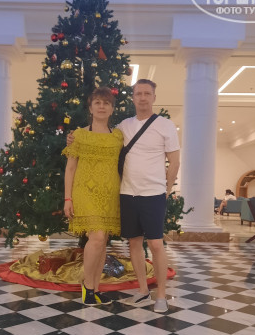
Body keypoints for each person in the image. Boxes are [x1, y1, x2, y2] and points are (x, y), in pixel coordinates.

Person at [68, 79, 180, 313]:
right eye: (138, 93)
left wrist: (166, 189)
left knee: (156, 244)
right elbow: (83, 151)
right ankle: (139, 290)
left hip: (151, 193)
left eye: (147, 93)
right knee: (131, 243)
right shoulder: (123, 127)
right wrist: (72, 138)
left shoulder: (163, 125)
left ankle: (160, 295)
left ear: (154, 97)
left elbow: (175, 161)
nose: (142, 97)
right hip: (125, 192)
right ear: (133, 98)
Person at [63, 87, 123, 306]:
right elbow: (70, 168)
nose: (101, 106)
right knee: (96, 238)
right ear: (90, 108)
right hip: (85, 192)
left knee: (102, 241)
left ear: (112, 109)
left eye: (106, 103)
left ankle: (96, 289)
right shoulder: (79, 135)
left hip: (110, 193)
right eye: (97, 102)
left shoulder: (118, 136)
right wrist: (67, 198)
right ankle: (87, 287)